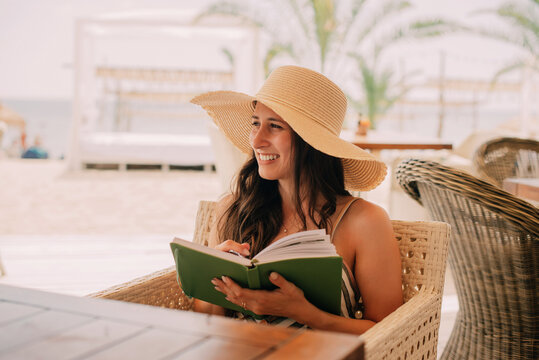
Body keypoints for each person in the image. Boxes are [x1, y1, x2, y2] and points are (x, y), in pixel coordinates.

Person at [190, 65, 403, 335]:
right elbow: (203, 324)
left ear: (311, 143)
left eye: (275, 126)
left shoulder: (364, 221)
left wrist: (305, 314)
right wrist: (212, 274)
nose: (256, 140)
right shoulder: (233, 209)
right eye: (255, 123)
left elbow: (392, 332)